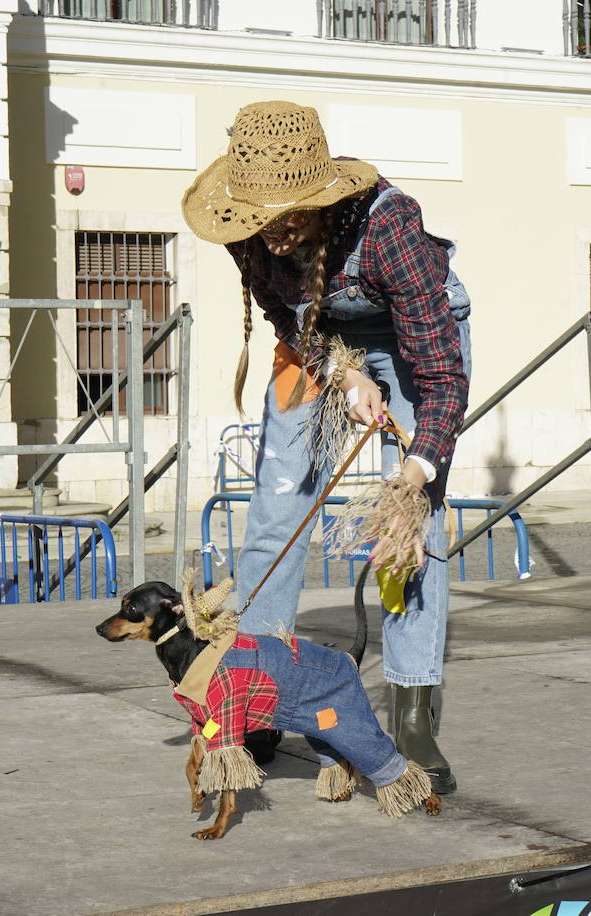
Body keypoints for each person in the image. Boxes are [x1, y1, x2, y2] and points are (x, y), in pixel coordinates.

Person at [180, 101, 471, 793]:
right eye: (262, 220)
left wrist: (417, 463)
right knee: (276, 509)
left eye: (288, 218)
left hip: (419, 339)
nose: (273, 236)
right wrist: (343, 370)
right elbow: (284, 312)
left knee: (412, 522)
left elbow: (439, 375)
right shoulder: (243, 224)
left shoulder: (389, 225)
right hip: (322, 344)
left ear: (320, 201)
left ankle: (411, 716)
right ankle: (257, 690)